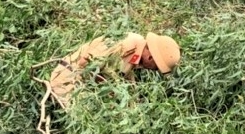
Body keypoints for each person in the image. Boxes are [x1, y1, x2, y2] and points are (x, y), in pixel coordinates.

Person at [46, 32, 181, 110]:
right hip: (68, 80)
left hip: (81, 86)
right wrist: (110, 88)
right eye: (156, 67)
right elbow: (86, 64)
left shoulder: (135, 55)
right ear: (151, 57)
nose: (152, 70)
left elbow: (126, 81)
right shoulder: (125, 44)